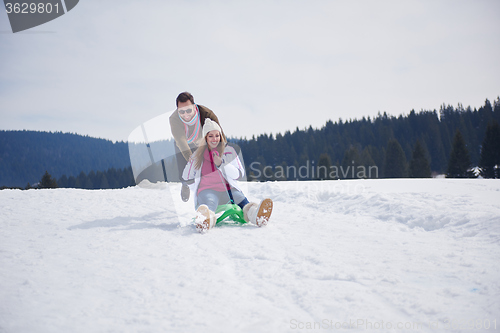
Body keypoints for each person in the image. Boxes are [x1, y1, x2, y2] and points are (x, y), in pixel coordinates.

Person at [182, 118, 273, 232]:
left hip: (228, 190)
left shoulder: (229, 151)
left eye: (217, 135)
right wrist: (192, 186)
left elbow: (239, 173)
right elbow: (187, 176)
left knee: (242, 200)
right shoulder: (197, 155)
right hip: (207, 190)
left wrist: (221, 164)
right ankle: (205, 220)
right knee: (210, 202)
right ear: (205, 138)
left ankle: (256, 215)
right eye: (211, 136)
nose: (215, 139)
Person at [169, 92, 225, 202]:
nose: (186, 114)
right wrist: (190, 158)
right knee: (184, 171)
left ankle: (209, 189)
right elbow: (180, 140)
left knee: (208, 166)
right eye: (182, 111)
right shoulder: (174, 119)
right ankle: (185, 184)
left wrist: (221, 158)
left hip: (203, 141)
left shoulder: (207, 114)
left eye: (188, 110)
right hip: (184, 145)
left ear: (194, 107)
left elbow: (220, 137)